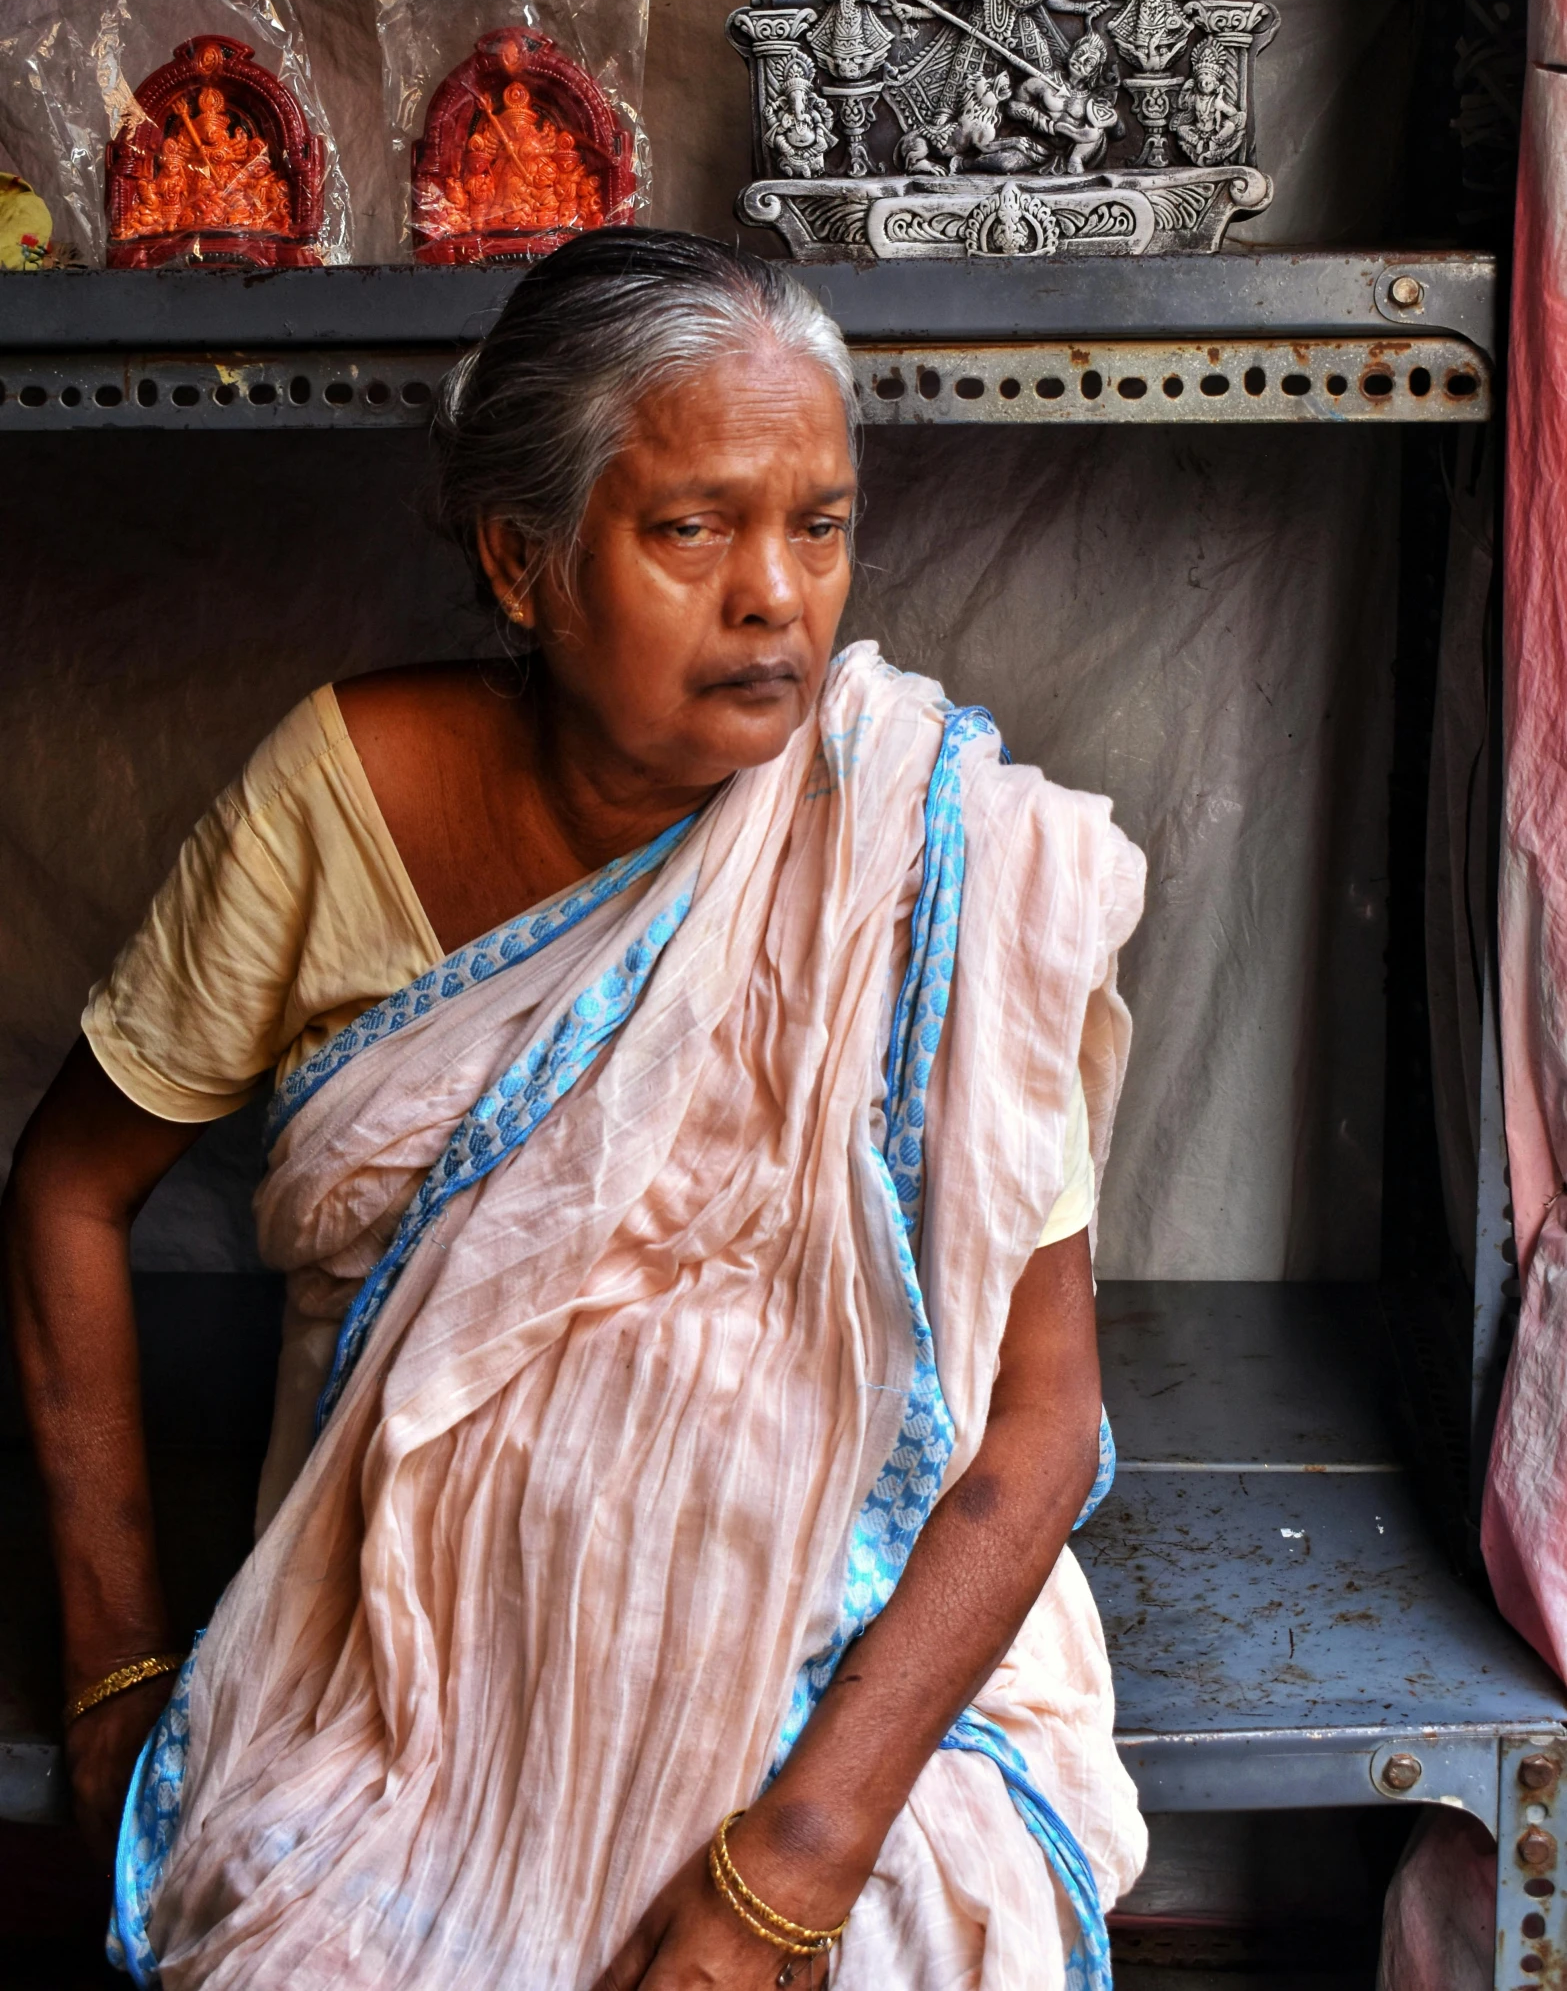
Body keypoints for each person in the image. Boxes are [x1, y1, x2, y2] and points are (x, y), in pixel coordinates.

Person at [2, 229, 1147, 1990]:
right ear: (522, 561)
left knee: (935, 1926)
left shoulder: (934, 856)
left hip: (835, 1667)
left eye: (819, 522)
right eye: (692, 526)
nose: (775, 593)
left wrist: (795, 1870)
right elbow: (69, 1189)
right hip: (402, 1649)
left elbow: (1041, 1421)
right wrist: (111, 1667)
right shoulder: (348, 797)